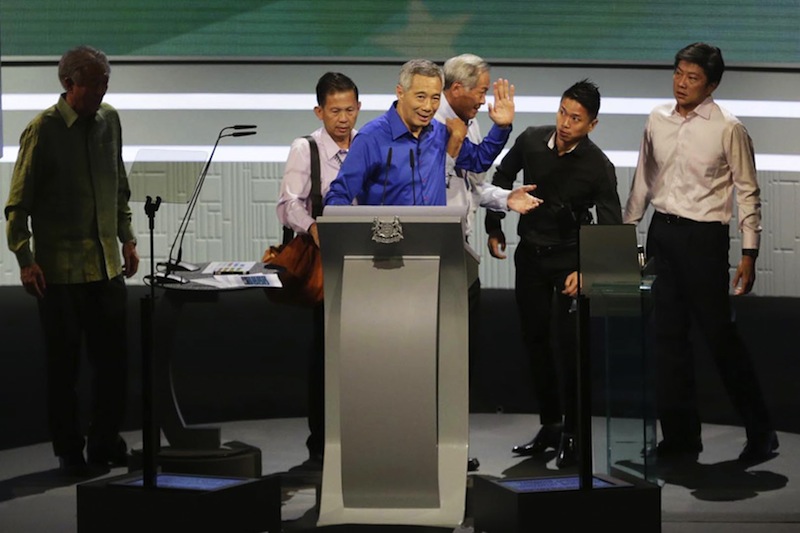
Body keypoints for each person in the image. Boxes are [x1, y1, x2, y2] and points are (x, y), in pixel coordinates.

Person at [624, 42, 778, 463]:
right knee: (667, 340)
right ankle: (680, 438)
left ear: (711, 85)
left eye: (692, 78)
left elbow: (748, 192)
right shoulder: (657, 118)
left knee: (720, 338)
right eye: (678, 73)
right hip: (662, 235)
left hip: (704, 241)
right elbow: (643, 179)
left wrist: (750, 253)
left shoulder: (729, 127)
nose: (681, 83)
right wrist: (626, 233)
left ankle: (762, 432)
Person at [4, 45, 139, 476]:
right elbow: (17, 204)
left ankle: (104, 441)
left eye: (106, 81)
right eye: (95, 82)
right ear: (69, 84)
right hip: (59, 273)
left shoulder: (110, 120)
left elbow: (119, 183)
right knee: (64, 368)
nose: (103, 89)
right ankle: (68, 449)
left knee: (113, 363)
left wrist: (128, 238)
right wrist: (25, 258)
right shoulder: (41, 130)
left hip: (105, 268)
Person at [486, 80, 622, 469]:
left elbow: (611, 223)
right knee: (535, 342)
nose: (565, 123)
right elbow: (501, 179)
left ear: (592, 125)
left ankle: (574, 434)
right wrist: (495, 225)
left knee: (570, 350)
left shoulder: (598, 166)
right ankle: (550, 424)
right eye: (563, 112)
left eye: (576, 119)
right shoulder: (531, 140)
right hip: (529, 257)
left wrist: (588, 269)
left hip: (569, 265)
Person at [275, 72, 361, 465]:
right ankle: (322, 442)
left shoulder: (367, 144)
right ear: (319, 111)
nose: (343, 119)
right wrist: (312, 226)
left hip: (367, 259)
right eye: (335, 111)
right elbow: (288, 203)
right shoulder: (305, 148)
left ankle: (360, 434)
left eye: (349, 110)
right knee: (327, 352)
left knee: (363, 352)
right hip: (326, 262)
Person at [324, 58, 514, 207]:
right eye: (421, 97)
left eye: (435, 98)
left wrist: (501, 127)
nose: (428, 107)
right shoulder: (371, 138)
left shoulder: (441, 133)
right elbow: (339, 195)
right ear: (400, 92)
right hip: (384, 249)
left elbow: (479, 160)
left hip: (433, 247)